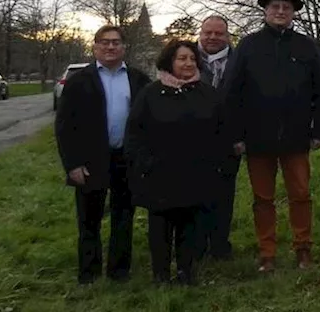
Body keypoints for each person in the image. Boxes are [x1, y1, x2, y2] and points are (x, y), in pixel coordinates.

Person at [224, 0, 320, 272]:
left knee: (300, 194)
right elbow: (232, 92)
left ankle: (303, 248)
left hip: (296, 136)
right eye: (275, 7)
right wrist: (235, 135)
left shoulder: (306, 46)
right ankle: (267, 252)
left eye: (286, 7)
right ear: (266, 11)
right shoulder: (248, 45)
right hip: (257, 138)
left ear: (293, 12)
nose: (281, 12)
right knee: (262, 199)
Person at [126, 40, 229, 285]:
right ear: (170, 62)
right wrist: (145, 163)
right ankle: (161, 273)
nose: (188, 63)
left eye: (192, 59)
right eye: (182, 58)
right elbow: (134, 133)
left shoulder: (207, 93)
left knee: (190, 226)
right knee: (161, 227)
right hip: (160, 174)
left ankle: (186, 271)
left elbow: (222, 131)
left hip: (197, 173)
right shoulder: (151, 94)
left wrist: (217, 163)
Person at [55, 24, 150, 284]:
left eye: (116, 42)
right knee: (89, 220)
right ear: (95, 47)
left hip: (125, 159)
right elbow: (64, 127)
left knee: (123, 218)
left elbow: (149, 119)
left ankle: (119, 271)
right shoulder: (78, 82)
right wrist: (72, 165)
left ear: (123, 47)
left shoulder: (138, 79)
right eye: (105, 42)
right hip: (90, 161)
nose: (110, 47)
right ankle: (89, 273)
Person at [195, 14, 239, 261]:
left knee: (224, 194)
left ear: (227, 36)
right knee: (196, 192)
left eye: (218, 33)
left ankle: (220, 244)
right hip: (193, 139)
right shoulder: (184, 57)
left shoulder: (239, 60)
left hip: (228, 139)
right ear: (200, 34)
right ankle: (196, 245)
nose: (212, 38)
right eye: (207, 33)